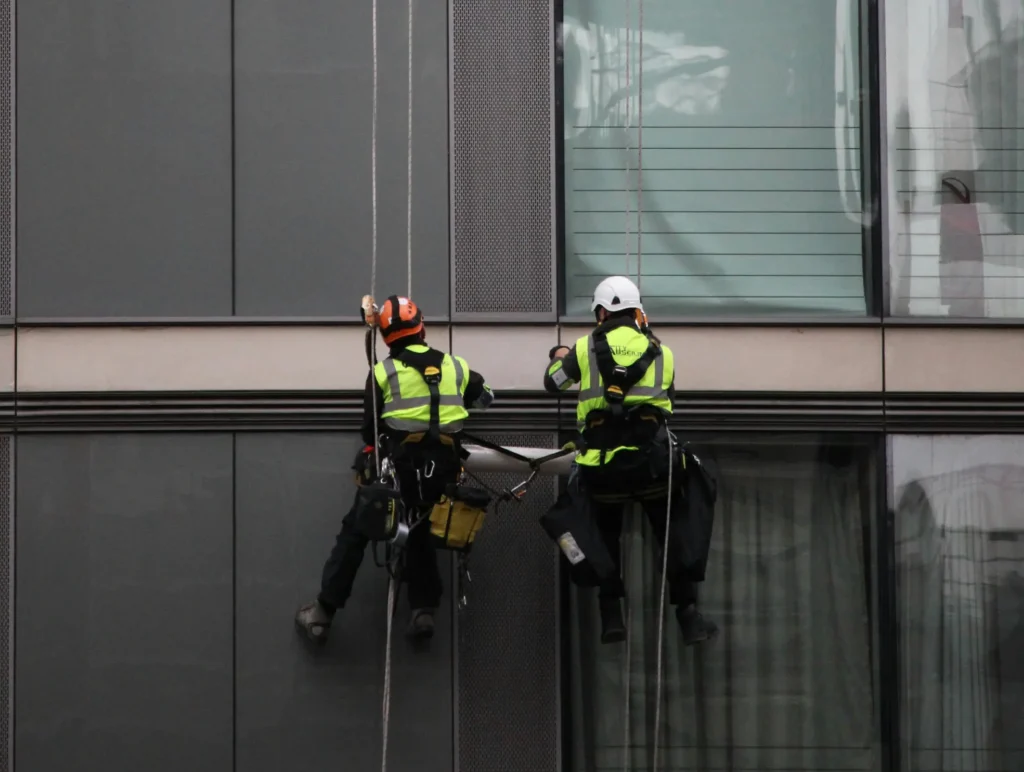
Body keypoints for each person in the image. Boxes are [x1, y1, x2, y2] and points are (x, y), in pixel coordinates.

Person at [295, 295, 494, 644]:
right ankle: (423, 611)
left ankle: (324, 611)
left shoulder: (383, 373)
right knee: (420, 530)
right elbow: (485, 398)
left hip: (400, 473)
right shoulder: (457, 367)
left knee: (355, 531)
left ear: (386, 337)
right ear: (422, 329)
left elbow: (369, 428)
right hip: (444, 474)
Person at [543, 276, 717, 646]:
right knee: (674, 524)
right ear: (637, 312)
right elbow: (669, 399)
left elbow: (553, 383)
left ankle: (611, 614)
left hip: (602, 469)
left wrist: (561, 358)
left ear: (602, 311)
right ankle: (687, 612)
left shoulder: (583, 348)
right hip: (652, 466)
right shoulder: (662, 353)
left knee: (603, 531)